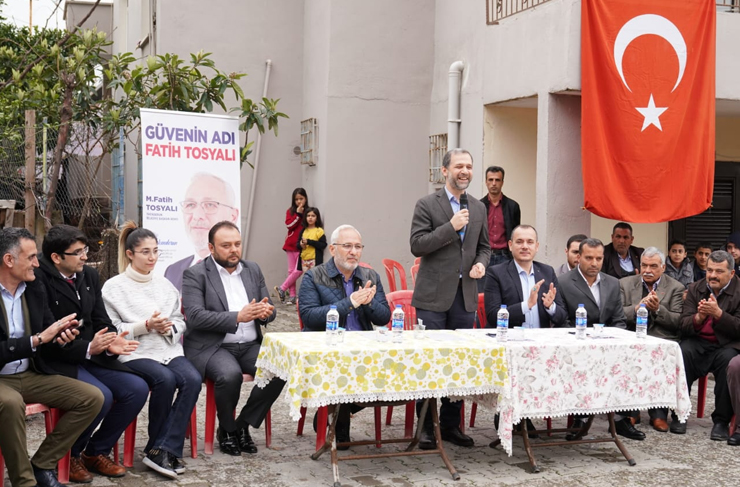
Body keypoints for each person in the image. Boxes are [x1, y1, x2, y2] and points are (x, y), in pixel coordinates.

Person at [34, 225, 148, 483]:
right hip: (57, 358)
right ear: (56, 257)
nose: (85, 256)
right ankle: (71, 454)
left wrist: (111, 340)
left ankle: (95, 452)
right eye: (78, 252)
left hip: (91, 354)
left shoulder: (89, 275)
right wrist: (88, 348)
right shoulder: (39, 279)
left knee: (136, 388)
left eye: (85, 249)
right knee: (101, 396)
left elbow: (100, 318)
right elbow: (46, 334)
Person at [0, 227, 104, 487]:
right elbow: (37, 339)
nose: (37, 263)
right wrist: (36, 340)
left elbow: (48, 331)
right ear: (9, 260)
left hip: (29, 373)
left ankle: (43, 463)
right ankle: (24, 482)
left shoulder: (33, 288)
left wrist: (62, 335)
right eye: (31, 257)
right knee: (11, 403)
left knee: (92, 397)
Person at [102, 222, 202, 479]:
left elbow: (180, 320)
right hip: (134, 352)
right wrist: (145, 326)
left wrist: (169, 328)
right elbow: (112, 329)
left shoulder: (165, 285)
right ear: (130, 254)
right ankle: (160, 450)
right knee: (165, 380)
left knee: (192, 379)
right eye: (145, 252)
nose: (152, 257)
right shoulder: (113, 287)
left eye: (156, 251)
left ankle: (161, 449)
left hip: (167, 349)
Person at [410, 148, 490, 450]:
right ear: (445, 171)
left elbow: (484, 247)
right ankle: (425, 427)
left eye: (469, 166)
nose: (465, 171)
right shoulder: (427, 204)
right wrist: (451, 227)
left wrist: (481, 263)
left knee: (458, 364)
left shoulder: (478, 207)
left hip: (464, 296)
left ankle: (450, 425)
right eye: (459, 166)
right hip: (432, 298)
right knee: (429, 363)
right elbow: (418, 245)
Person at [182, 221, 283, 456]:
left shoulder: (252, 269)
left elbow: (269, 308)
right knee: (229, 375)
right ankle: (227, 429)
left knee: (279, 370)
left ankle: (242, 425)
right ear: (211, 248)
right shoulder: (195, 274)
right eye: (226, 245)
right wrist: (237, 316)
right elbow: (194, 316)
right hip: (213, 346)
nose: (233, 250)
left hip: (249, 344)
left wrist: (266, 313)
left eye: (237, 244)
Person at [298, 224, 391, 448]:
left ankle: (333, 409)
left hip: (363, 347)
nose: (353, 252)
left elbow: (384, 317)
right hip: (328, 348)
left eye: (358, 247)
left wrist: (369, 303)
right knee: (344, 370)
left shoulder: (370, 276)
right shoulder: (313, 276)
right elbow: (309, 316)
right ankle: (339, 428)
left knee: (396, 373)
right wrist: (349, 303)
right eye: (347, 246)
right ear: (332, 249)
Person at [558, 238, 640, 440]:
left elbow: (619, 319)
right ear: (578, 257)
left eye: (598, 258)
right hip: (576, 345)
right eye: (589, 258)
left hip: (607, 344)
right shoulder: (564, 282)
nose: (594, 263)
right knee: (585, 362)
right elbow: (562, 321)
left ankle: (621, 418)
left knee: (629, 359)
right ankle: (580, 418)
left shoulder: (612, 283)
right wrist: (583, 340)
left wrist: (614, 340)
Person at [676, 250, 740, 441]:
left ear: (731, 273)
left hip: (727, 343)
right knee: (682, 352)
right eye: (709, 270)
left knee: (728, 361)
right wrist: (699, 317)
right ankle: (680, 413)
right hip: (699, 341)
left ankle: (721, 421)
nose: (712, 275)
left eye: (719, 271)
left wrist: (719, 314)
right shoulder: (696, 288)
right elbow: (683, 324)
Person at [619, 247, 684, 432]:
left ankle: (658, 414)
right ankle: (630, 411)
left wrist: (658, 310)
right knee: (627, 354)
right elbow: (617, 313)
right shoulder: (624, 284)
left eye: (653, 266)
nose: (648, 270)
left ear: (663, 267)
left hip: (660, 337)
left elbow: (678, 321)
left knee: (662, 355)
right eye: (644, 265)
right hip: (632, 336)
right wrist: (637, 308)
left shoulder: (675, 288)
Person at [164, 173, 239, 292]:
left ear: (233, 216)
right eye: (190, 205)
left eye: (210, 205)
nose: (197, 215)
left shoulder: (241, 273)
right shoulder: (172, 271)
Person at [484, 225, 568, 328]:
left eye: (530, 242)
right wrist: (526, 305)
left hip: (540, 336)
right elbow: (493, 316)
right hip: (510, 335)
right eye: (519, 242)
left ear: (536, 246)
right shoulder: (496, 273)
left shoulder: (547, 272)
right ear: (510, 245)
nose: (525, 246)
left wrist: (550, 306)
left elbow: (562, 317)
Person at [480, 166, 520, 268]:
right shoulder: (478, 206)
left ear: (502, 182)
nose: (494, 183)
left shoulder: (513, 206)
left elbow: (516, 234)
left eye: (497, 180)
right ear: (486, 182)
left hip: (505, 256)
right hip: (484, 256)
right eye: (490, 180)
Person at [274, 188, 309, 305]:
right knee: (291, 271)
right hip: (290, 244)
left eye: (301, 199)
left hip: (302, 245)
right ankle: (292, 296)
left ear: (305, 198)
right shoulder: (291, 211)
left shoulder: (308, 212)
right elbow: (289, 225)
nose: (299, 201)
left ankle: (282, 288)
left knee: (298, 270)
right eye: (296, 199)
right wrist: (298, 214)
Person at [296, 207, 326, 272]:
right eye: (308, 216)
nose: (310, 218)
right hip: (304, 260)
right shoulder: (303, 230)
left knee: (315, 277)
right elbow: (297, 245)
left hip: (314, 260)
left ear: (317, 218)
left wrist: (309, 241)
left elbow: (323, 244)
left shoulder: (319, 230)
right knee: (307, 277)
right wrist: (301, 244)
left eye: (313, 216)